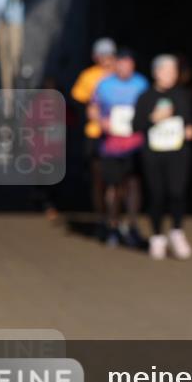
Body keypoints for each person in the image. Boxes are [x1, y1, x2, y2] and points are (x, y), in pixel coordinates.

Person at [134, 54, 192, 260]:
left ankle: (177, 232)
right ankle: (157, 236)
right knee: (157, 194)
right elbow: (136, 125)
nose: (171, 75)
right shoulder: (145, 97)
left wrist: (190, 129)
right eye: (167, 71)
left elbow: (190, 119)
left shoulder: (182, 95)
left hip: (177, 152)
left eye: (174, 71)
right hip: (154, 153)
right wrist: (153, 119)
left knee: (176, 192)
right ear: (156, 72)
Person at [91, 48, 149, 248]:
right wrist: (101, 121)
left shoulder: (142, 83)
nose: (124, 66)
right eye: (121, 63)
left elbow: (149, 108)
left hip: (135, 144)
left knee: (133, 186)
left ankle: (132, 225)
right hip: (111, 145)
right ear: (116, 64)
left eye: (128, 63)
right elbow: (93, 108)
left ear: (133, 65)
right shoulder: (104, 85)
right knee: (113, 188)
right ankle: (112, 225)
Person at [71, 38, 116, 237]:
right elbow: (79, 102)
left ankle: (115, 218)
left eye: (109, 54)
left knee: (118, 180)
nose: (106, 59)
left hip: (119, 135)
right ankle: (101, 217)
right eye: (102, 54)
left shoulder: (120, 74)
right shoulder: (88, 76)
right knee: (99, 179)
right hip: (96, 134)